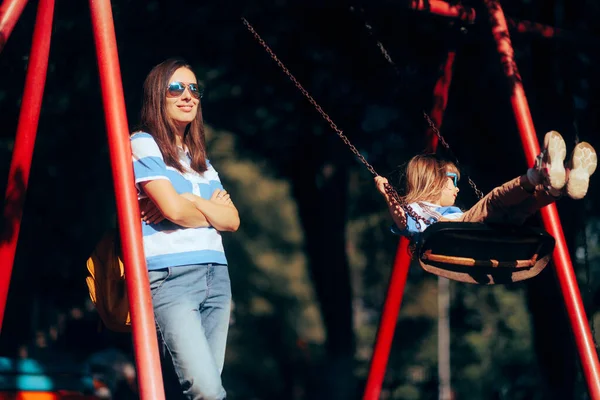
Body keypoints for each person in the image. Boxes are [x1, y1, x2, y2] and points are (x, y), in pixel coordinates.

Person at [130, 58, 239, 400]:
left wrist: (183, 203)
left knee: (199, 389)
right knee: (206, 390)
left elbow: (233, 221)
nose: (187, 95)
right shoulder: (143, 144)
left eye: (194, 88)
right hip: (171, 276)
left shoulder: (200, 161)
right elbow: (175, 210)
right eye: (176, 88)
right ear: (156, 97)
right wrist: (206, 208)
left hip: (217, 277)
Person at [375, 131, 597, 241]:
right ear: (431, 181)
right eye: (453, 181)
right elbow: (400, 217)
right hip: (466, 233)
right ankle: (540, 174)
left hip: (487, 235)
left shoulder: (447, 212)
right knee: (497, 201)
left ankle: (562, 182)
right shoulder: (415, 212)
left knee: (523, 207)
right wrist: (388, 194)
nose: (457, 188)